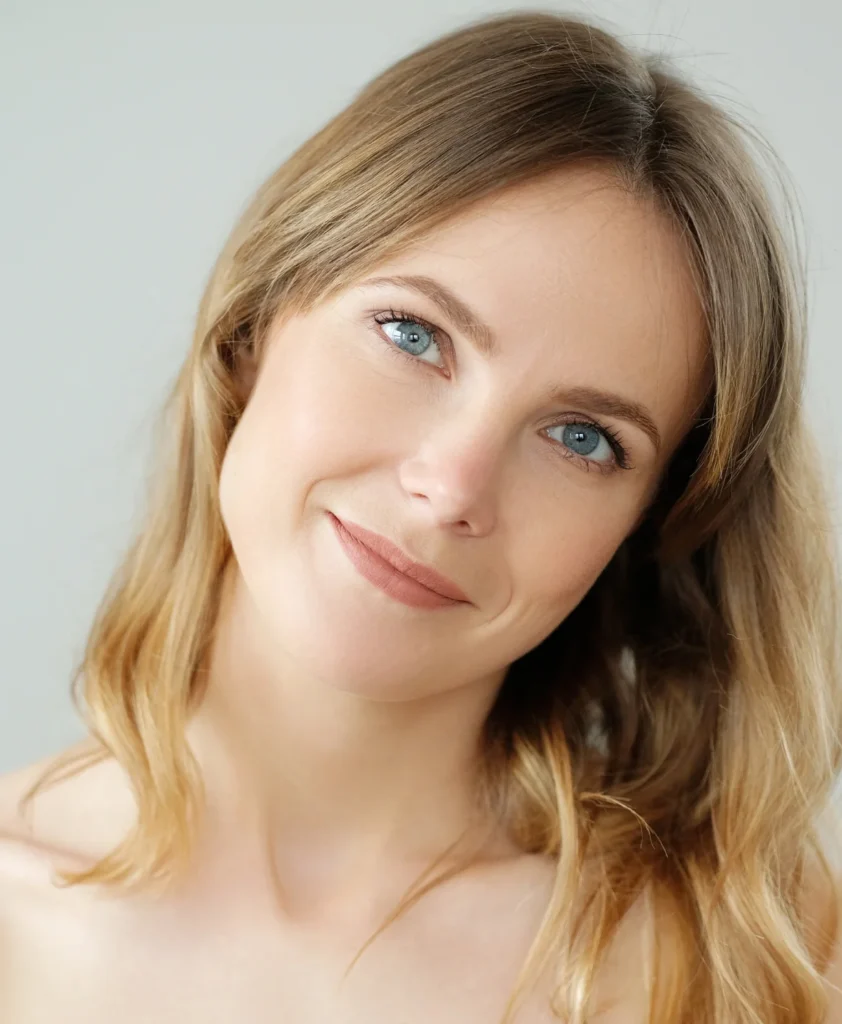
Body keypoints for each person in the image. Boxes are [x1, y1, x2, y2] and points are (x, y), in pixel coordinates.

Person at [1, 9, 840, 1023]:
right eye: (412, 334)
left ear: (645, 525)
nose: (450, 488)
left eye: (582, 438)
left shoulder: (764, 959)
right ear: (253, 326)